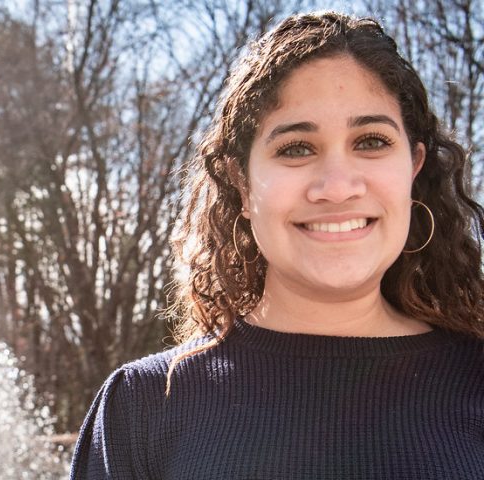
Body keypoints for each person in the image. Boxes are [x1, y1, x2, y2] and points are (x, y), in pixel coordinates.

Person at [70, 11, 484, 479]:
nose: (337, 186)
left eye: (370, 141)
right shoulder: (142, 408)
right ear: (242, 185)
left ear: (413, 167)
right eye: (296, 148)